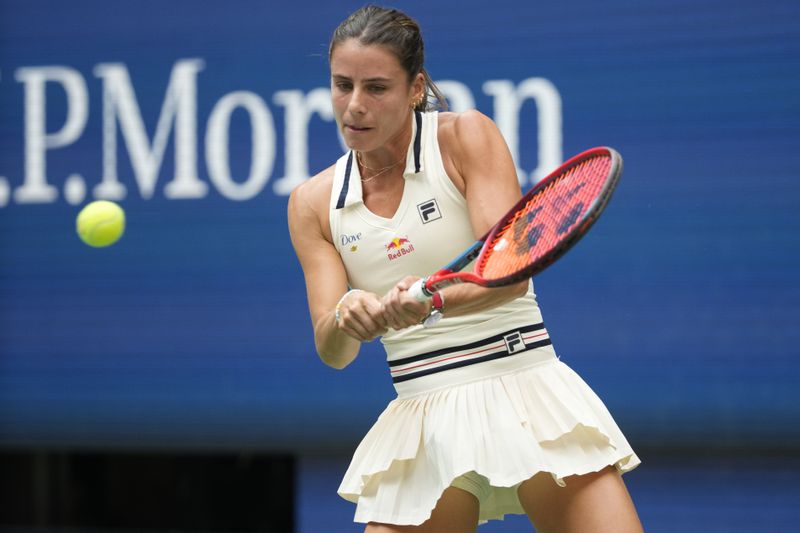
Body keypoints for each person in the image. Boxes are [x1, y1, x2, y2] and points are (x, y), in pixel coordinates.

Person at [287, 5, 643, 532]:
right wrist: (348, 319)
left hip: (523, 385)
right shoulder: (313, 203)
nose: (354, 106)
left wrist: (431, 301)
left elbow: (510, 270)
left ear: (415, 88)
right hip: (422, 414)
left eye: (377, 88)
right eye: (343, 85)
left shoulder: (464, 137)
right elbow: (331, 350)